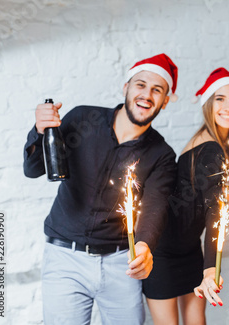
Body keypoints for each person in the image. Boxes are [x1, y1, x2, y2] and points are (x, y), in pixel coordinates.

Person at [23, 54, 179, 324]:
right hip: (65, 260)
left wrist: (143, 246)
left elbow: (155, 207)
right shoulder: (84, 118)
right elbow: (33, 168)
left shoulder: (162, 154)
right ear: (126, 87)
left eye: (157, 90)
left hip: (122, 265)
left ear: (165, 101)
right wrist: (39, 130)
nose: (147, 94)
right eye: (141, 85)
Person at [142, 67, 229, 325]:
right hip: (162, 254)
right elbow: (214, 212)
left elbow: (207, 202)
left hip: (189, 249)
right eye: (220, 99)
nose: (228, 108)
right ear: (208, 103)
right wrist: (212, 267)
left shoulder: (217, 144)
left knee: (195, 319)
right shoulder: (211, 148)